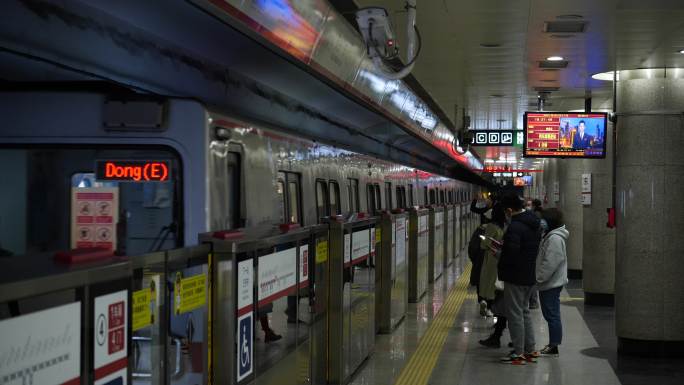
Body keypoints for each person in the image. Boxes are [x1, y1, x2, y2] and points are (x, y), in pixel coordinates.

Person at [498, 193, 542, 365]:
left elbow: (512, 253)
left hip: (515, 276)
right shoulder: (534, 223)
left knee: (515, 314)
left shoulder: (515, 226)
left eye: (506, 212)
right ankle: (529, 350)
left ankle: (518, 353)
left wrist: (499, 255)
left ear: (510, 210)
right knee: (524, 312)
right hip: (529, 274)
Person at [536, 208, 569, 357]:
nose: (541, 222)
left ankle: (554, 345)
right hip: (549, 282)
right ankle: (553, 344)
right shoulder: (551, 236)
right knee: (550, 314)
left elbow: (551, 263)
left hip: (551, 283)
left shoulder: (554, 239)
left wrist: (539, 278)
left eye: (543, 219)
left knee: (552, 315)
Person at [477, 204, 508, 347]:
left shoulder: (491, 226)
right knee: (496, 287)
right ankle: (495, 316)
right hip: (501, 259)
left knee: (490, 284)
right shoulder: (504, 226)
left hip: (492, 258)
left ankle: (489, 306)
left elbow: (485, 245)